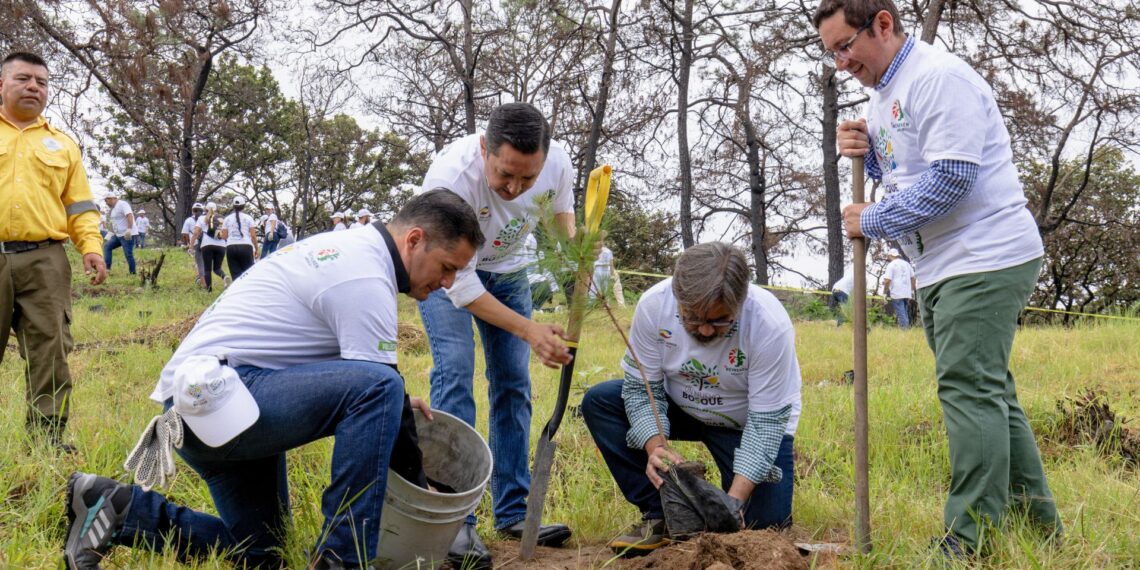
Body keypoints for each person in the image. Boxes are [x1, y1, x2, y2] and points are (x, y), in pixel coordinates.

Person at [62, 189, 484, 570]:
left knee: (263, 555)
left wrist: (395, 403)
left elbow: (344, 370)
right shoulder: (366, 275)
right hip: (218, 399)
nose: (448, 284)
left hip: (217, 406)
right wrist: (426, 497)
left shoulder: (355, 253)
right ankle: (342, 559)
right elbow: (377, 387)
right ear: (414, 240)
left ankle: (116, 507)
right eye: (447, 268)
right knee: (382, 388)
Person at [814, 0, 1061, 555]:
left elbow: (953, 178)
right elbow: (906, 171)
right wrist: (865, 153)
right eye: (831, 52)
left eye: (845, 46)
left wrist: (869, 220)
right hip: (943, 263)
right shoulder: (884, 97)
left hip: (983, 253)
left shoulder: (939, 78)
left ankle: (968, 540)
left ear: (882, 23)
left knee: (968, 391)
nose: (840, 63)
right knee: (991, 392)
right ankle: (1039, 527)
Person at [416, 102, 576, 567]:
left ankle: (512, 512)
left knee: (513, 385)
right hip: (450, 277)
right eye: (505, 175)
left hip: (509, 271)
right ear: (485, 148)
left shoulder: (558, 162)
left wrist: (578, 264)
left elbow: (563, 221)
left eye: (527, 179)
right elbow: (460, 286)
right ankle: (455, 524)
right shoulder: (451, 178)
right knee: (455, 378)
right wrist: (529, 329)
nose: (514, 188)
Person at [580, 242, 802, 556]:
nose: (707, 330)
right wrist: (655, 446)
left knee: (761, 530)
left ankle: (730, 507)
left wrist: (732, 504)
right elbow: (642, 389)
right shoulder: (654, 305)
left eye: (721, 320)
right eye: (694, 318)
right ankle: (663, 512)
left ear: (740, 301)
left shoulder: (768, 324)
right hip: (680, 407)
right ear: (677, 297)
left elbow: (765, 424)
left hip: (745, 425)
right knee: (601, 401)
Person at [0, 51, 106, 451]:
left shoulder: (63, 146)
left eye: (41, 82)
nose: (33, 87)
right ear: (2, 85)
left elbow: (79, 205)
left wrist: (91, 248)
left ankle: (46, 441)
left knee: (50, 350)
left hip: (46, 259)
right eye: (24, 79)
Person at [193, 202, 228, 292]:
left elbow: (196, 232)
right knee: (217, 268)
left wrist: (191, 244)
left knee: (207, 269)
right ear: (216, 209)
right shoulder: (222, 219)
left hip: (207, 245)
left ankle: (209, 290)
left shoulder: (202, 218)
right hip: (221, 245)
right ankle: (224, 276)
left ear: (205, 210)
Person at [222, 196, 258, 280]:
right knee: (248, 274)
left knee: (235, 275)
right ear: (243, 206)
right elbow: (253, 236)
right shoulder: (248, 218)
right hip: (246, 246)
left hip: (231, 247)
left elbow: (224, 236)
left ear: (233, 206)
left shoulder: (227, 219)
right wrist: (256, 249)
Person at [103, 190, 136, 275]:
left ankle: (133, 273)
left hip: (127, 234)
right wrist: (111, 233)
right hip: (118, 235)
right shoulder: (113, 209)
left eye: (106, 201)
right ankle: (107, 269)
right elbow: (115, 223)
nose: (106, 203)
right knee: (107, 246)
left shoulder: (122, 204)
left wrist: (129, 229)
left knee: (128, 254)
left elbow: (129, 215)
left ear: (112, 199)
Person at [882, 248, 915, 328]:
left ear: (890, 255)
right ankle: (907, 330)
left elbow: (887, 280)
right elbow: (913, 278)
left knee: (901, 314)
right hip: (907, 293)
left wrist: (884, 292)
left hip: (897, 293)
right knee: (904, 312)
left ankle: (905, 332)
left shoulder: (891, 265)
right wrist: (912, 291)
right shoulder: (907, 264)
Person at [181, 202, 206, 287]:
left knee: (198, 262)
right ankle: (203, 279)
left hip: (195, 243)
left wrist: (188, 243)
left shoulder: (188, 220)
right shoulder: (205, 219)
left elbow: (185, 233)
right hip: (206, 244)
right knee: (204, 262)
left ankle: (201, 280)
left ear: (192, 211)